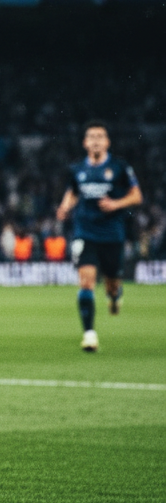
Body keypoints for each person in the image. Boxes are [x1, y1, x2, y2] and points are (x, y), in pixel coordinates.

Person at [55, 121, 142, 352]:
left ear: (107, 142)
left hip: (112, 234)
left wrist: (116, 203)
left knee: (112, 283)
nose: (95, 140)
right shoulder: (77, 170)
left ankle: (114, 295)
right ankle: (89, 334)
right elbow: (73, 192)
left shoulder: (119, 167)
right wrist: (65, 207)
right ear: (85, 143)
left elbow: (136, 196)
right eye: (91, 136)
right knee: (86, 281)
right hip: (85, 232)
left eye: (100, 136)